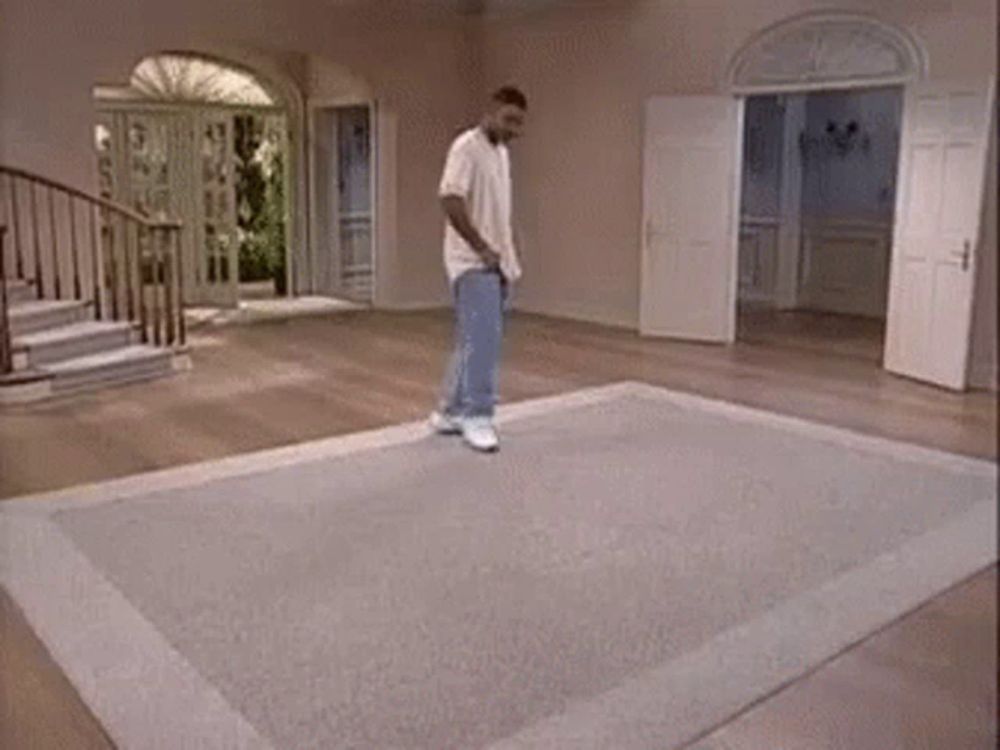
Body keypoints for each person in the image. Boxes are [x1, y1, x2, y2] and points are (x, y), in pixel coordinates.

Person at [429, 86, 527, 453]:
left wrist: (506, 251)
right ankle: (478, 415)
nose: (514, 128)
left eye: (519, 123)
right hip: (472, 262)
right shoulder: (466, 148)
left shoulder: (500, 154)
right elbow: (450, 199)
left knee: (474, 338)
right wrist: (482, 248)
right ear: (490, 112)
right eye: (508, 120)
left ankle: (450, 411)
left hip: (497, 262)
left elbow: (496, 207)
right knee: (484, 339)